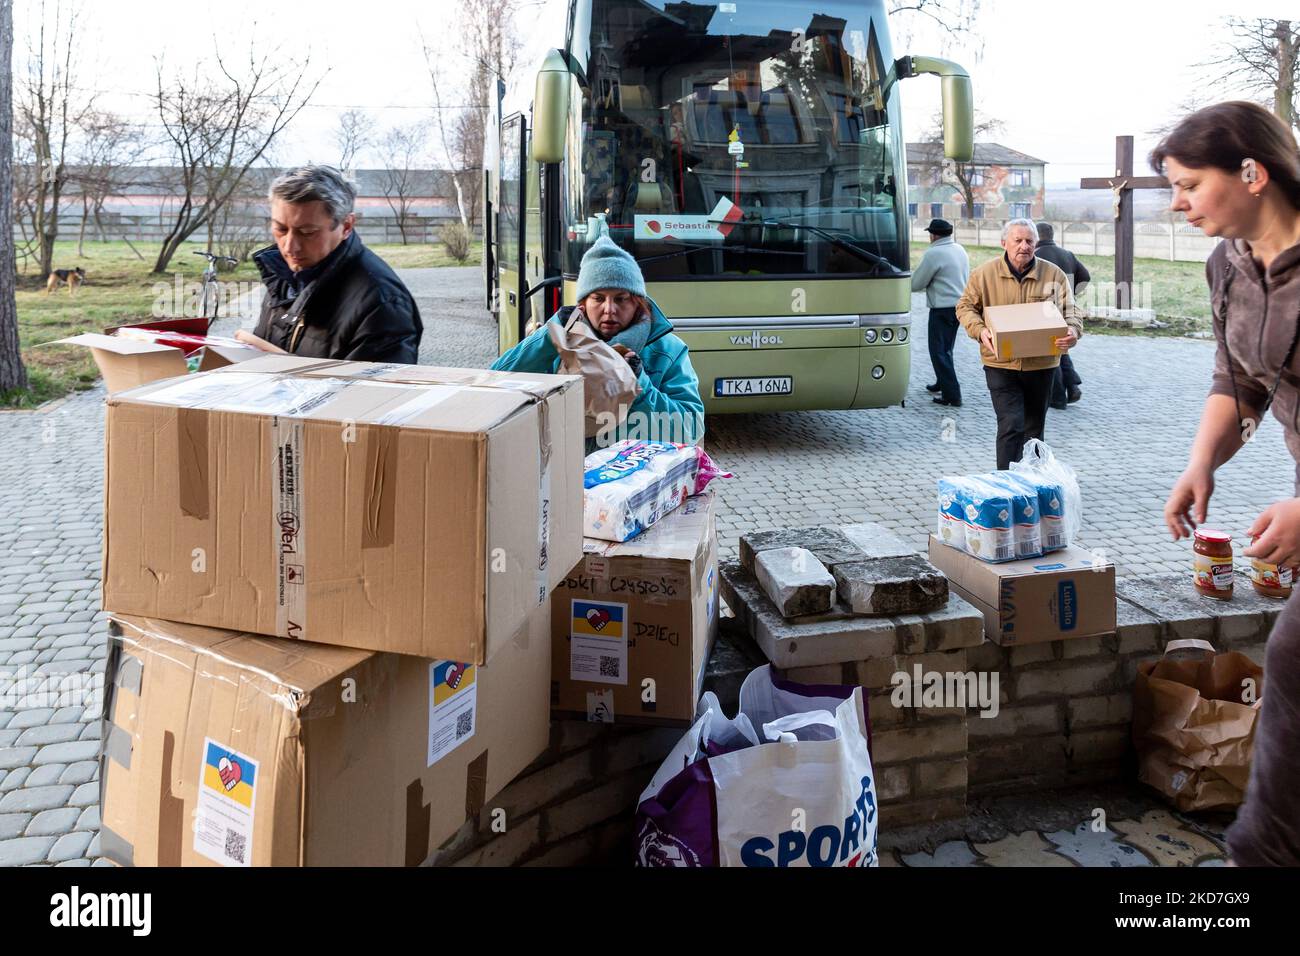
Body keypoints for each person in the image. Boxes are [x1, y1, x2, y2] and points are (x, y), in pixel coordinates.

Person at [1156, 101, 1300, 867]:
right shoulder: (1229, 265)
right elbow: (1240, 380)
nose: (1177, 203)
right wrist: (1200, 463)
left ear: (1253, 171)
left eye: (1188, 184)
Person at [491, 236, 704, 451]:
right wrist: (548, 337)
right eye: (599, 298)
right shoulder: (559, 345)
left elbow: (690, 429)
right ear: (583, 304)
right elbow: (494, 384)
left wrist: (639, 387)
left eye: (621, 299)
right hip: (567, 475)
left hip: (633, 479)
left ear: (639, 303)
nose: (609, 309)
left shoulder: (668, 351)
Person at [249, 165, 422, 362]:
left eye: (307, 233)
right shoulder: (282, 275)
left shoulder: (382, 304)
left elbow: (374, 391)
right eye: (280, 229)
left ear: (346, 226)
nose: (289, 247)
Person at [956, 218, 1084, 469]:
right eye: (1018, 240)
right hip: (1000, 362)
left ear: (1036, 244)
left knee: (1034, 428)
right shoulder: (983, 274)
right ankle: (1005, 483)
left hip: (1042, 364)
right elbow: (965, 307)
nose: (1024, 246)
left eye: (1029, 241)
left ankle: (1033, 482)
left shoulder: (1053, 274)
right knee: (1010, 424)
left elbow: (1072, 309)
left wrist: (1073, 330)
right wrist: (980, 331)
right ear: (1004, 242)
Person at [912, 218, 970, 407]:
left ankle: (952, 395)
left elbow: (917, 283)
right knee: (947, 349)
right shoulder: (959, 249)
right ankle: (941, 382)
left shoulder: (934, 253)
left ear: (934, 235)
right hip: (959, 307)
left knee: (938, 351)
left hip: (941, 309)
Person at [1034, 222, 1087, 409]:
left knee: (1050, 350)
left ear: (1036, 236)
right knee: (1061, 346)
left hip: (1045, 309)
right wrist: (1072, 292)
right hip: (1065, 308)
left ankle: (1057, 397)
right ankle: (1072, 386)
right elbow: (1085, 276)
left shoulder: (1036, 257)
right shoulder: (1067, 254)